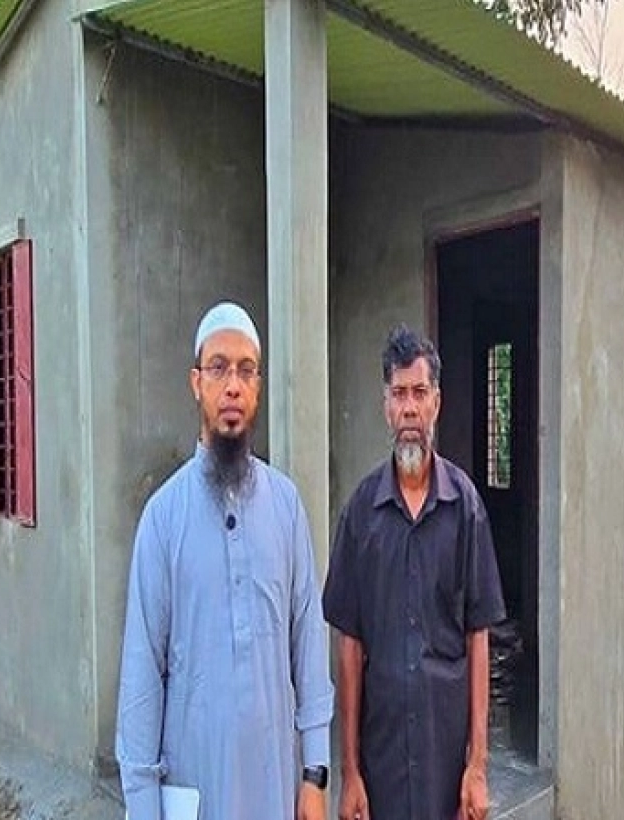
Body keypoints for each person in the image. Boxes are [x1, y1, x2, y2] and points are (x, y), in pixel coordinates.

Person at [115, 302, 334, 820]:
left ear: (258, 387)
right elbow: (142, 675)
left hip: (276, 786)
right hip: (196, 788)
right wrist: (143, 806)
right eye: (218, 368)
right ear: (196, 383)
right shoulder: (163, 518)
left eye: (245, 370)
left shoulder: (285, 506)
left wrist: (316, 775)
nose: (232, 385)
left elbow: (308, 642)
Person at [324, 325, 506, 820]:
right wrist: (351, 773)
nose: (409, 407)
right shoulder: (360, 513)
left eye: (419, 393)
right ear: (386, 405)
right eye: (399, 394)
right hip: (380, 763)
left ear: (436, 403)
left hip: (444, 758)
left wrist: (478, 765)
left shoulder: (465, 507)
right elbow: (349, 644)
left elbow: (478, 634)